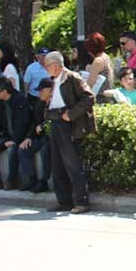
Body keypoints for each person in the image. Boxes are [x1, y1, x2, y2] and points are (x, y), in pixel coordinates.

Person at [43, 50, 96, 214]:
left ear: (55, 65)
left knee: (73, 164)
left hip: (68, 124)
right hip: (56, 121)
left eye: (47, 66)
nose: (46, 69)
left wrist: (71, 114)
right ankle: (64, 201)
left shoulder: (72, 77)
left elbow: (89, 98)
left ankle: (81, 202)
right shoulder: (54, 80)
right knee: (57, 164)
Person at [0, 78, 31, 190]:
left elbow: (23, 123)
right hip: (6, 135)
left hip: (20, 136)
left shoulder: (20, 100)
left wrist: (14, 140)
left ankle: (12, 181)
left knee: (12, 150)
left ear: (5, 91)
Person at [18, 78, 53, 193]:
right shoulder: (40, 105)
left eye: (42, 90)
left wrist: (43, 126)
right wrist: (28, 137)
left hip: (53, 138)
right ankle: (31, 178)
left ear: (50, 90)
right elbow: (34, 123)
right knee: (24, 148)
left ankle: (44, 181)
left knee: (45, 151)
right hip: (41, 137)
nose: (40, 93)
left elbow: (55, 120)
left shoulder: (56, 103)